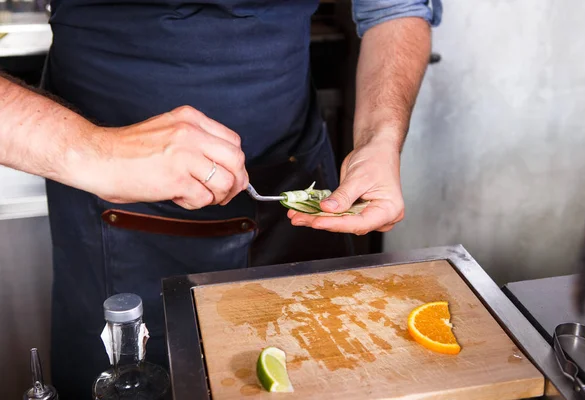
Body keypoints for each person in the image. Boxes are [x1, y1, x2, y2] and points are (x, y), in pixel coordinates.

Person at [0, 0, 442, 397]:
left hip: (291, 167)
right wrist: (94, 150)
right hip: (107, 200)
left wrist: (379, 140)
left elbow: (394, 9)